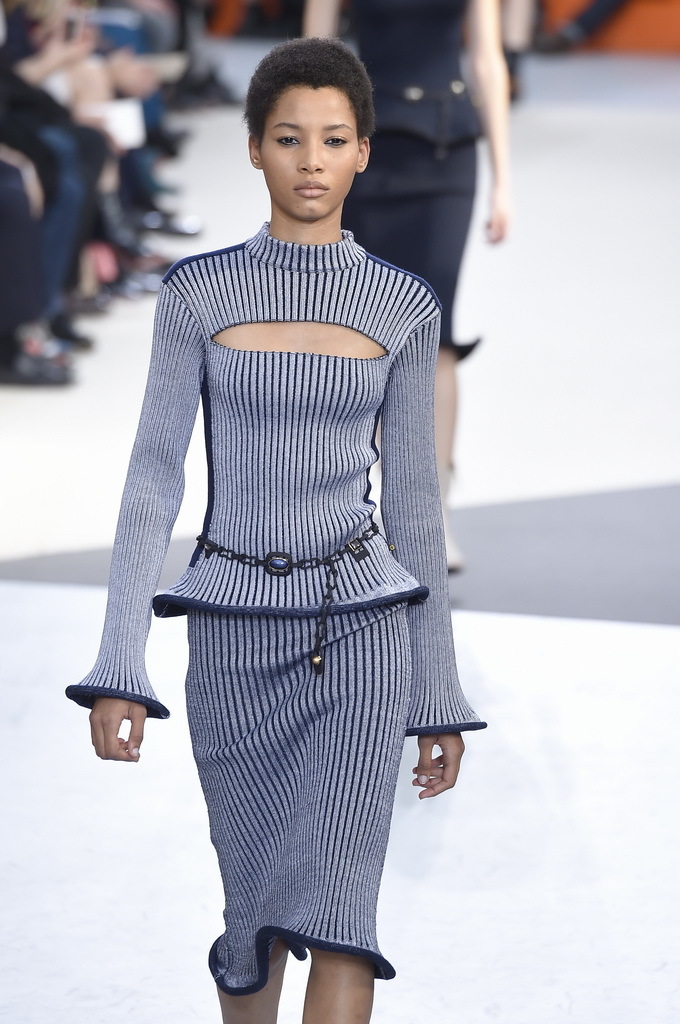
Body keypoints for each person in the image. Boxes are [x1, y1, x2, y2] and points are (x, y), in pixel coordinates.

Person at [65, 37, 486, 1024]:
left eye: (333, 139)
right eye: (289, 138)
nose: (311, 161)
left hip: (360, 629)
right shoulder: (197, 294)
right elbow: (152, 479)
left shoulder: (401, 305)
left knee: (342, 917)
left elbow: (413, 508)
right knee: (250, 925)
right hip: (230, 634)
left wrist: (435, 687)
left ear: (364, 153)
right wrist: (120, 658)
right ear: (253, 147)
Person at [304, 0, 510, 571]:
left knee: (436, 331)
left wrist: (503, 181)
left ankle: (432, 513)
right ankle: (351, 509)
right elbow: (311, 60)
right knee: (360, 332)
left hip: (448, 151)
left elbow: (487, 59)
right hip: (364, 152)